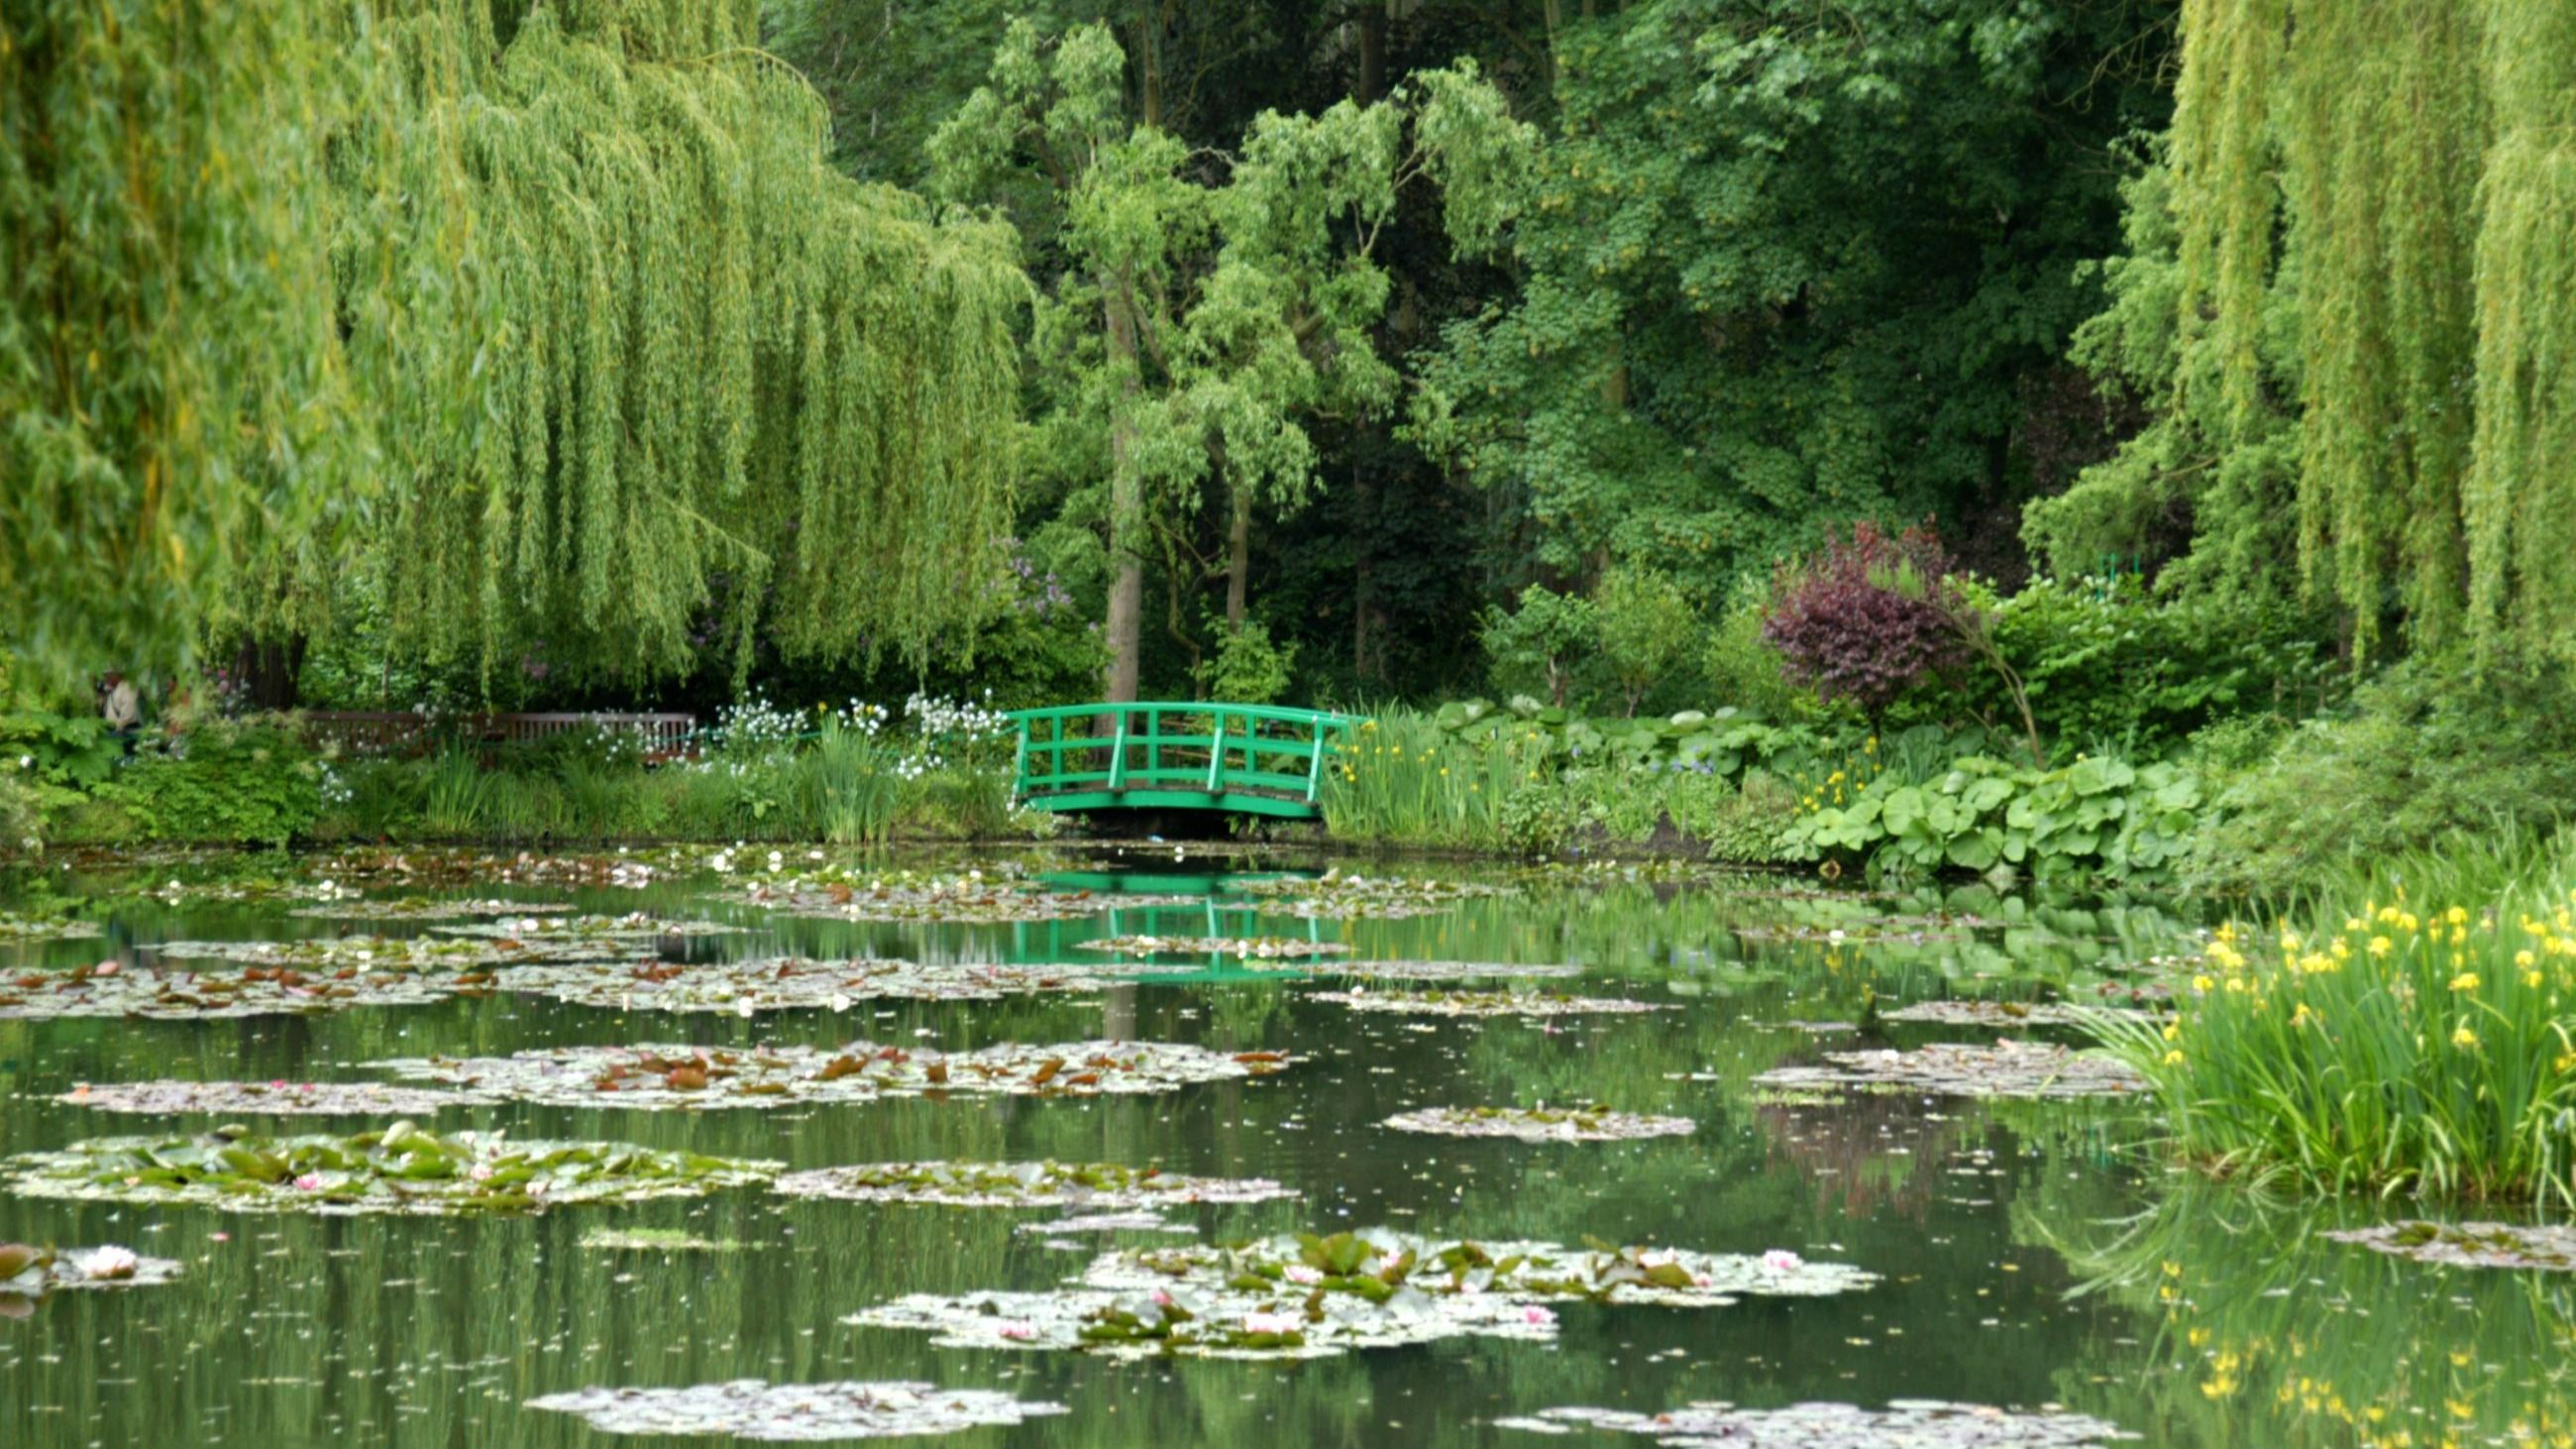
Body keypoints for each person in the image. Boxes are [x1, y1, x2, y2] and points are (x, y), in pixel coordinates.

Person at [101, 670, 140, 753]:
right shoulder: (112, 689)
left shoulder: (127, 687)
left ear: (116, 675)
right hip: (114, 730)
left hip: (124, 730)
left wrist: (119, 727)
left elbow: (128, 711)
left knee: (125, 756)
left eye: (109, 675)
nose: (106, 678)